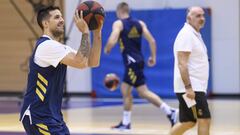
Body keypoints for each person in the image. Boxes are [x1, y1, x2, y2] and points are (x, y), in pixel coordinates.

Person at [20, 6, 103, 134]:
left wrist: (97, 33)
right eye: (57, 17)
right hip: (39, 116)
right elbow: (80, 61)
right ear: (45, 23)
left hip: (52, 116)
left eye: (62, 16)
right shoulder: (46, 46)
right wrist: (85, 32)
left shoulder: (59, 48)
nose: (62, 20)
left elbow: (92, 62)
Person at [104, 2, 178, 130]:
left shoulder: (119, 23)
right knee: (143, 92)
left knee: (125, 90)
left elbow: (113, 38)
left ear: (119, 11)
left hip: (131, 62)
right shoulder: (140, 24)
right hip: (139, 60)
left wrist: (107, 48)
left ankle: (126, 123)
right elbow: (152, 41)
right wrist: (153, 57)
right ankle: (169, 112)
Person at [169, 7, 211, 135]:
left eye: (203, 15)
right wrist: (188, 87)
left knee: (188, 121)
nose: (202, 18)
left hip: (196, 86)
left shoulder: (195, 34)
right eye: (197, 16)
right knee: (204, 119)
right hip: (192, 87)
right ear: (189, 18)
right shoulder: (186, 35)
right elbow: (182, 64)